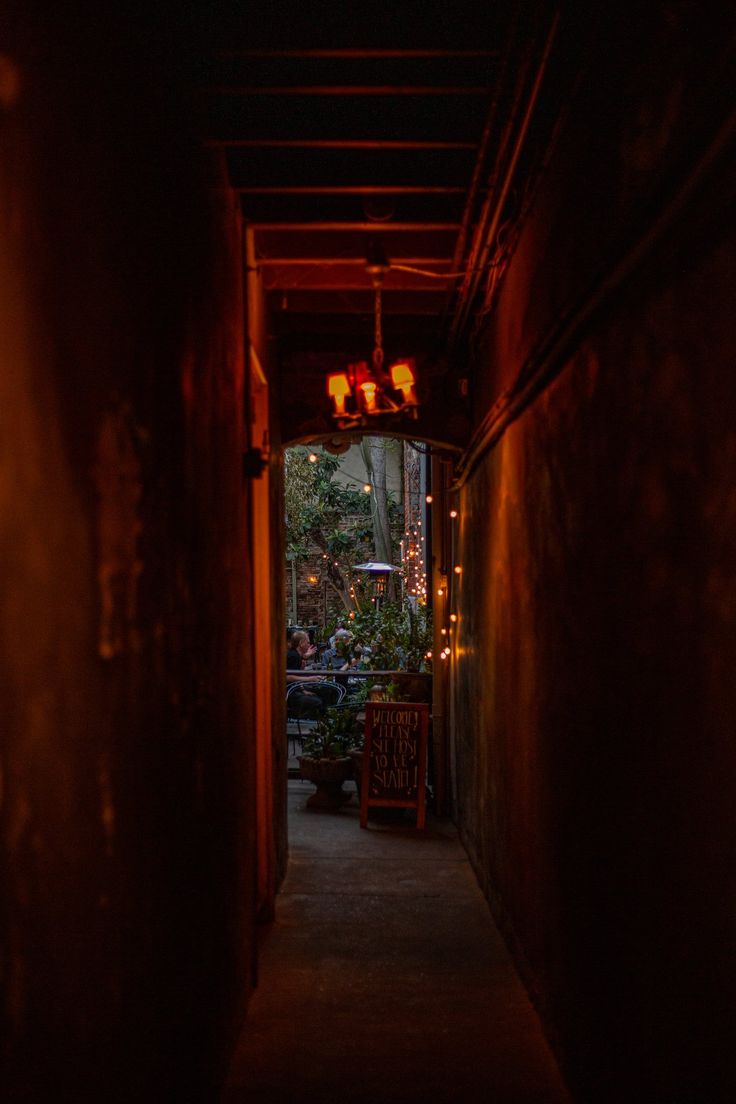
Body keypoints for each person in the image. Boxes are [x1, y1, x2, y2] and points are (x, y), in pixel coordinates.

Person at [287, 629, 333, 718]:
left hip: (295, 689)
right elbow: (287, 677)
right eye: (308, 643)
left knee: (324, 690)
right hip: (290, 693)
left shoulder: (296, 655)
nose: (309, 645)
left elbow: (295, 676)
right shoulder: (293, 656)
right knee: (318, 701)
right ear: (301, 643)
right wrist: (309, 679)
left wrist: (303, 689)